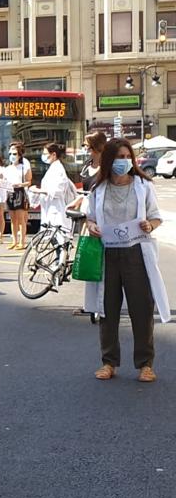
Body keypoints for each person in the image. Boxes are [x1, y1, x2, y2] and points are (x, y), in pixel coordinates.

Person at [83, 139, 170, 383]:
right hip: (108, 254)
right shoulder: (97, 189)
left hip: (136, 253)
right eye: (119, 157)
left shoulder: (143, 185)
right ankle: (109, 362)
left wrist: (148, 225)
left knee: (141, 310)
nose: (124, 161)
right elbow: (89, 219)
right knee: (107, 310)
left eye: (127, 156)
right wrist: (92, 227)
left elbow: (155, 217)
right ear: (109, 160)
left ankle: (145, 364)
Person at [29, 143, 78, 236]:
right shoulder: (53, 168)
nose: (43, 156)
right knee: (53, 238)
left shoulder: (58, 169)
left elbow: (57, 190)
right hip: (50, 208)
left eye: (45, 153)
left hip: (57, 210)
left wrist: (38, 191)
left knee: (59, 238)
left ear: (54, 154)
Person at [4, 141, 33, 249]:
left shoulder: (24, 167)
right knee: (12, 219)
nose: (12, 156)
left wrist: (19, 184)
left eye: (15, 154)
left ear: (20, 154)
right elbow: (4, 181)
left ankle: (22, 242)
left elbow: (29, 181)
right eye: (10, 154)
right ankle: (14, 241)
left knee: (21, 219)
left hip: (20, 192)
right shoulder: (7, 169)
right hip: (10, 193)